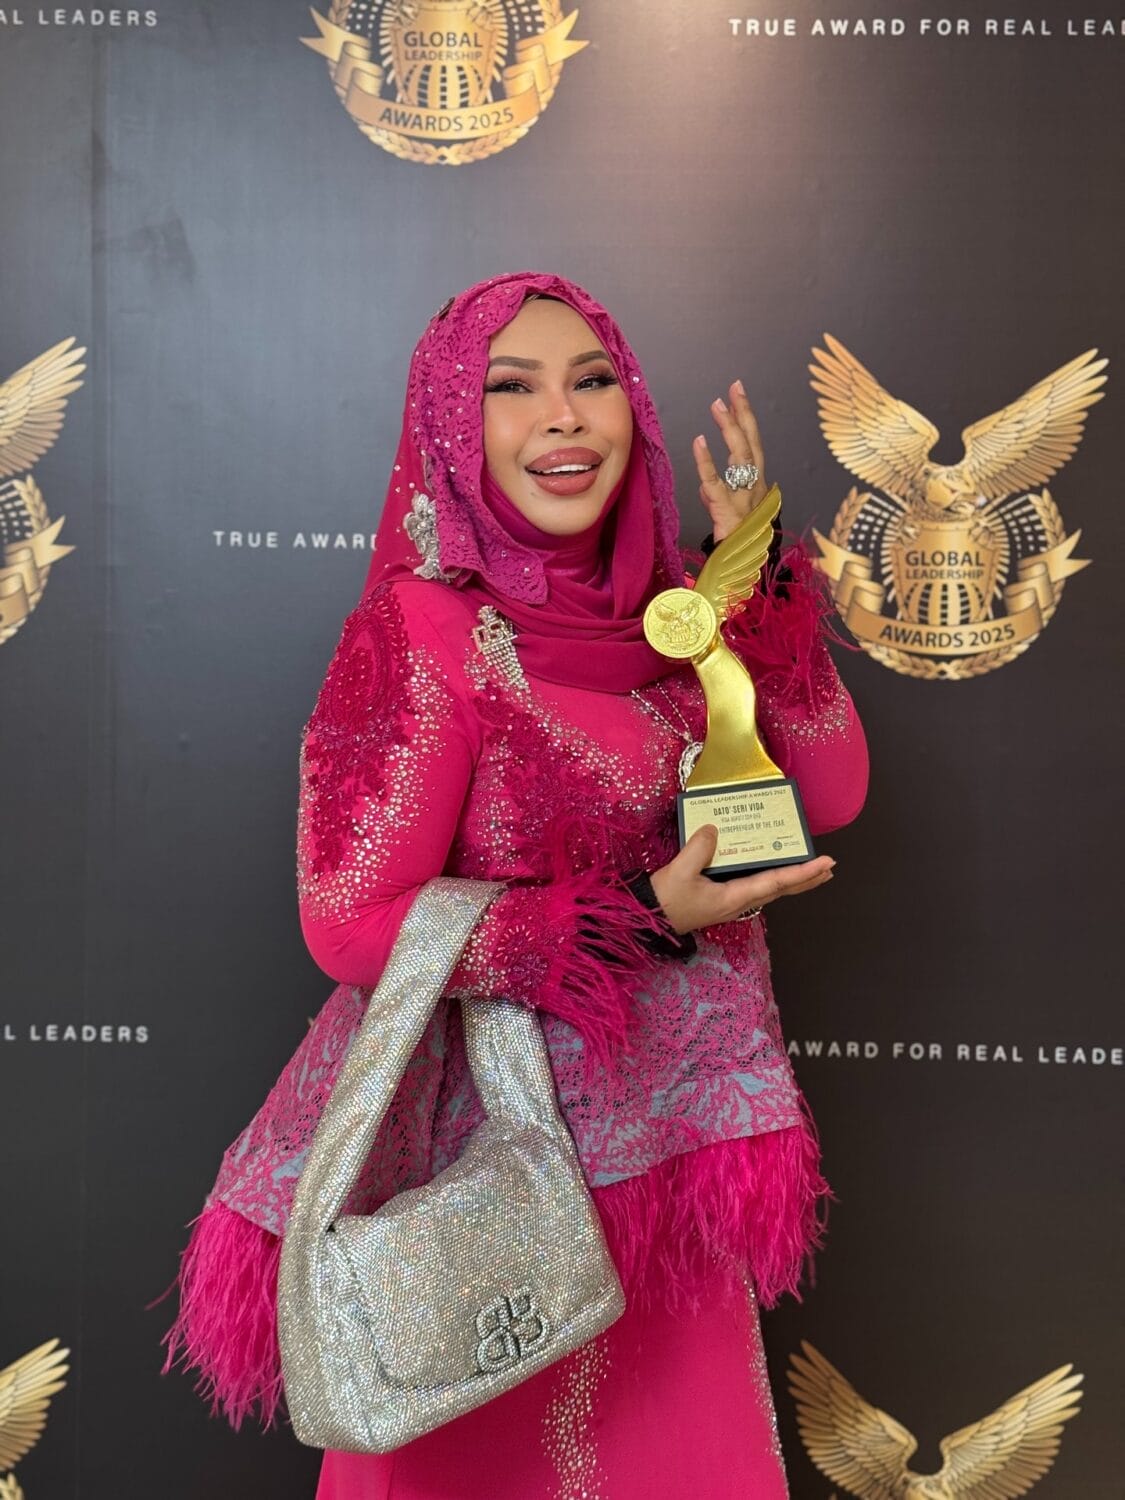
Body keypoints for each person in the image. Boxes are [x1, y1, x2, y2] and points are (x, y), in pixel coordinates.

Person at [164, 272, 868, 1498]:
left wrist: (753, 574)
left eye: (593, 381)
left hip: (669, 1163)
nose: (563, 417)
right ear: (452, 424)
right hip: (492, 1192)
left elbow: (833, 787)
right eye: (512, 388)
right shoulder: (425, 631)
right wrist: (639, 919)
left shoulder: (681, 610)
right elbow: (347, 920)